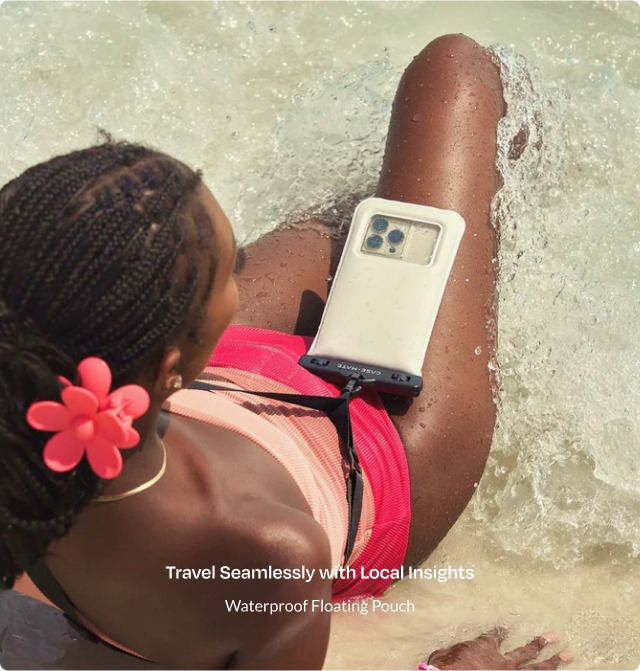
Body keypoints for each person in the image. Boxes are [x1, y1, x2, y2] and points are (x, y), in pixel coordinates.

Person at [0, 34, 570, 669]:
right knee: (459, 73)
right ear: (168, 365)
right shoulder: (268, 553)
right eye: (229, 273)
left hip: (214, 383)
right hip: (379, 458)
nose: (238, 277)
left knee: (389, 203)